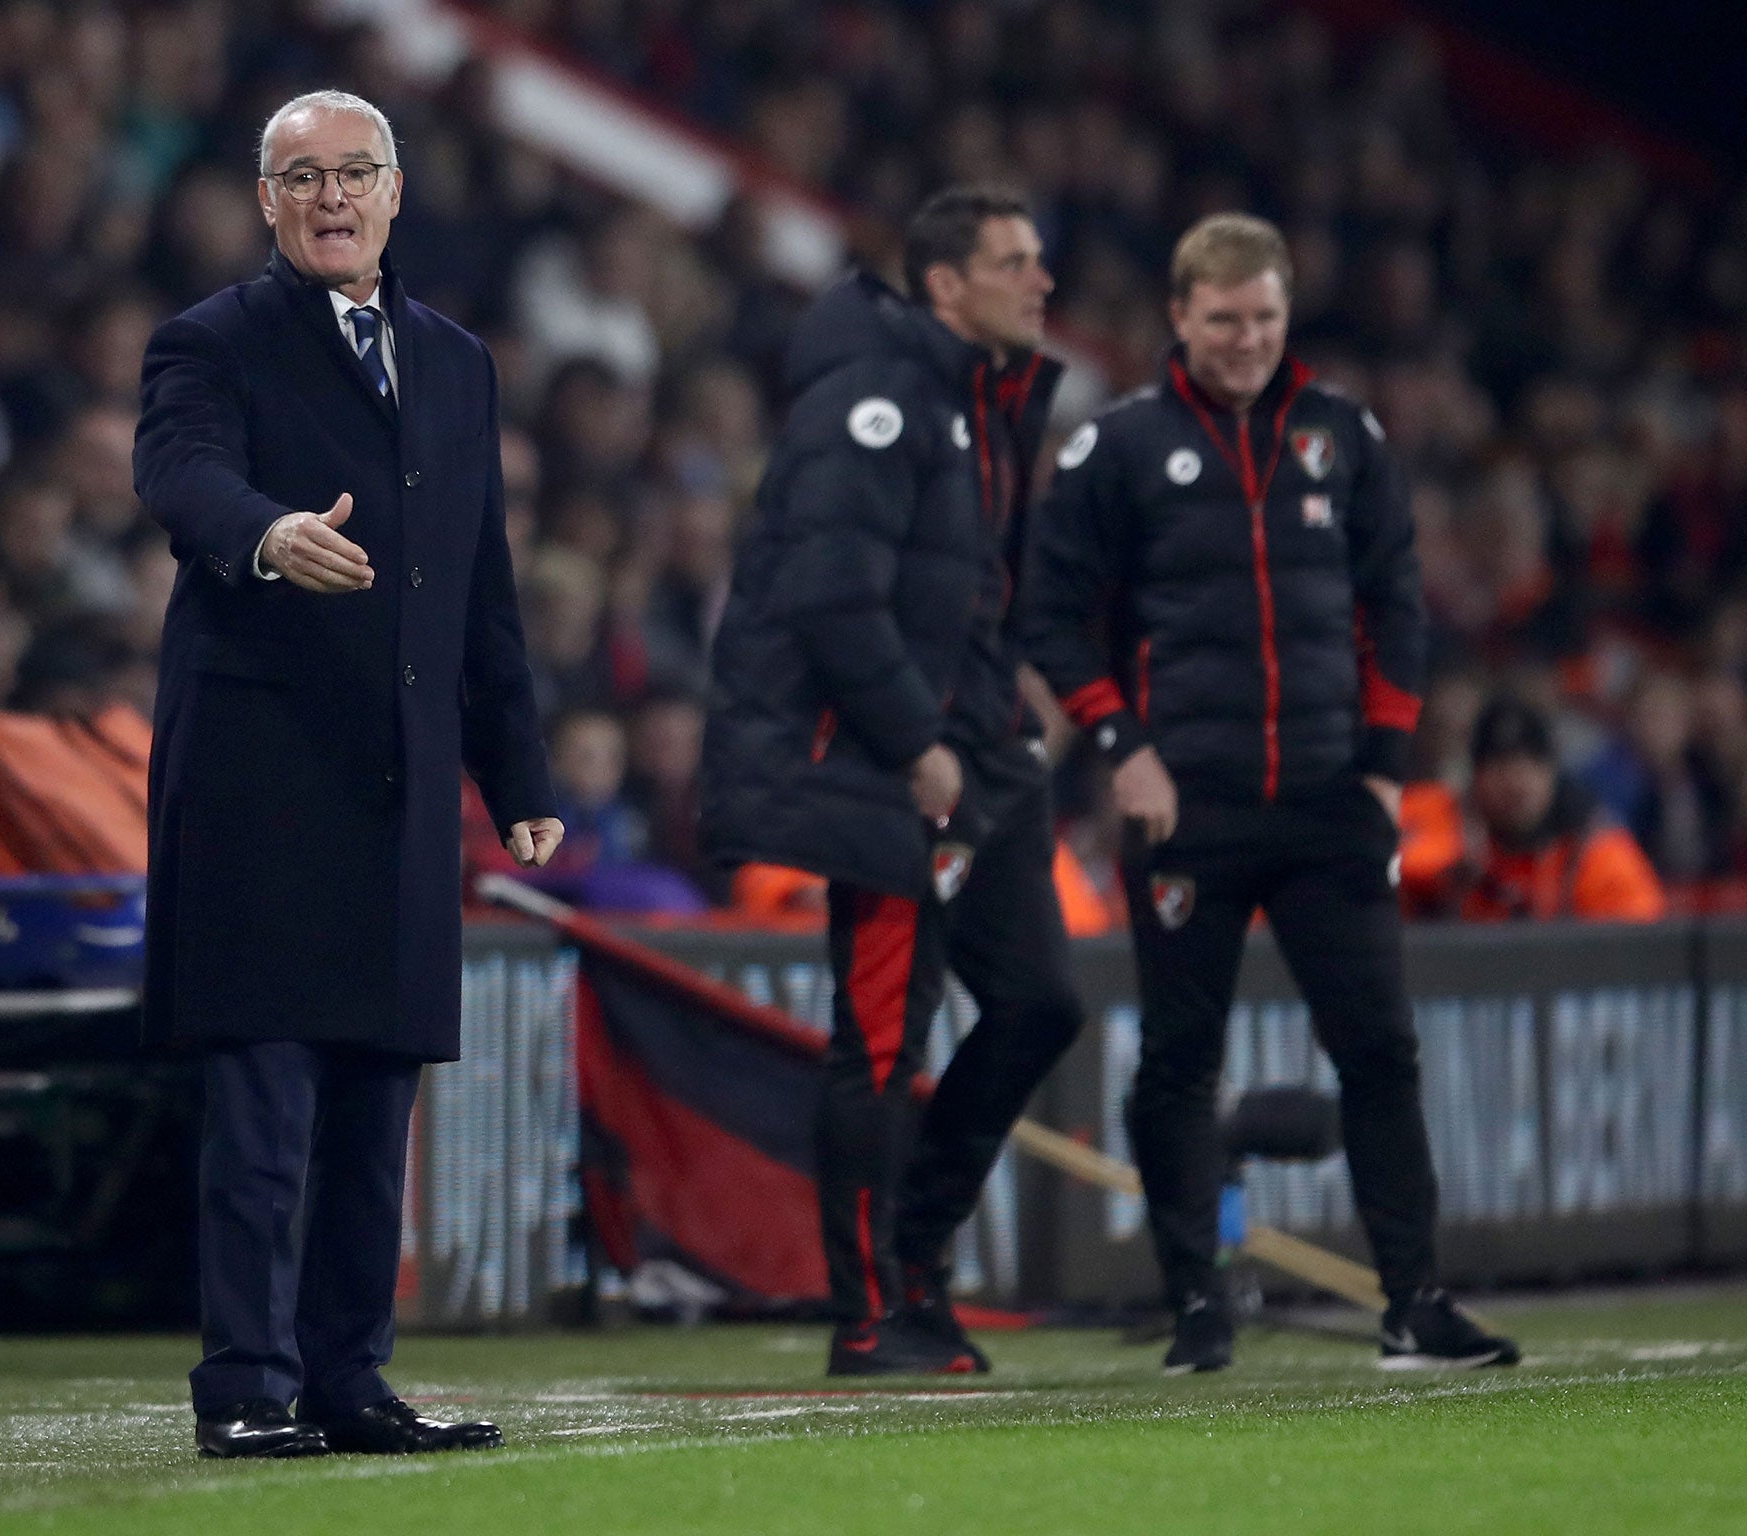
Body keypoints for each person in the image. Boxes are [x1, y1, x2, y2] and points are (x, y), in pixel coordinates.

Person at [133, 89, 562, 1459]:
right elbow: (177, 471)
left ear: (395, 192)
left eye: (354, 173)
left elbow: (478, 584)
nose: (330, 197)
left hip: (401, 781)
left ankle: (348, 1378)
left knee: (379, 1102)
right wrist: (265, 535)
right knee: (263, 1107)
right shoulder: (209, 339)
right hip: (261, 776)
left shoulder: (455, 361)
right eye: (301, 176)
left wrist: (519, 768)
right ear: (265, 202)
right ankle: (247, 1387)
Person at [1022, 213, 1520, 1374]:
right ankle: (1196, 1306)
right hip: (1180, 805)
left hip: (1328, 801)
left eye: (1263, 318)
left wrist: (1388, 772)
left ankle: (1413, 1304)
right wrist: (1120, 746)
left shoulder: (1340, 436)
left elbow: (1397, 605)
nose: (1245, 339)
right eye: (1222, 319)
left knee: (1380, 1052)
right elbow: (1047, 616)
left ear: (1284, 316)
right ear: (1178, 318)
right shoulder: (1118, 449)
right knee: (1179, 1062)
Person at [702, 186, 1084, 1376]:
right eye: (1014, 262)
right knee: (877, 1042)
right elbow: (829, 593)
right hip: (884, 770)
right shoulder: (874, 401)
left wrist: (1005, 688)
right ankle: (869, 1317)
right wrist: (917, 739)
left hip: (976, 756)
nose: (1040, 282)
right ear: (943, 283)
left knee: (1038, 1006)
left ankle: (915, 1264)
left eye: (1038, 259)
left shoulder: (979, 405)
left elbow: (951, 587)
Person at [1414, 695, 1666, 922]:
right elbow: (1398, 866)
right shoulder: (1450, 825)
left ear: (1553, 772)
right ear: (1475, 777)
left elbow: (1640, 947)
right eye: (1499, 765)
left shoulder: (1596, 849)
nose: (1515, 781)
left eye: (1531, 763)